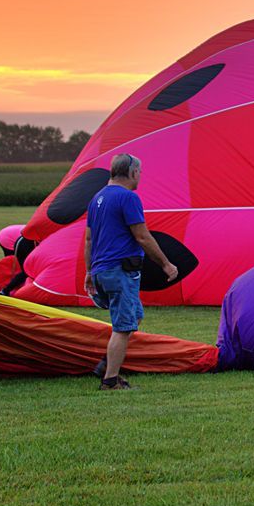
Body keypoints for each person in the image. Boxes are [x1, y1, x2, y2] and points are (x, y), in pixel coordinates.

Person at [83, 153, 178, 390]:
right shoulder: (128, 198)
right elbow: (142, 236)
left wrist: (89, 271)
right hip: (119, 270)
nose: (140, 177)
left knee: (134, 315)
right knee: (123, 325)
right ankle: (110, 380)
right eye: (140, 172)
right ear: (132, 172)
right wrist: (166, 264)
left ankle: (108, 364)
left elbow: (88, 239)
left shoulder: (97, 198)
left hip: (101, 270)